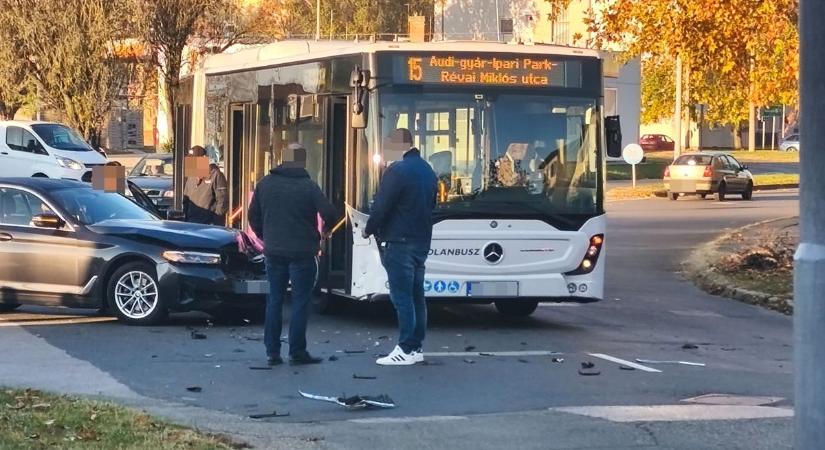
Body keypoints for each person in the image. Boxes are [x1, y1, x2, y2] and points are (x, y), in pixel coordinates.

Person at [248, 143, 337, 366]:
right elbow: (330, 212)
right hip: (303, 252)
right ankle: (297, 352)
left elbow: (253, 217)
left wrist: (265, 235)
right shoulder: (308, 186)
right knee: (300, 301)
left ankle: (272, 351)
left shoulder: (265, 184)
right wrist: (324, 231)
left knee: (275, 301)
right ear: (302, 161)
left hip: (274, 251)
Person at [363, 128, 438, 366]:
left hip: (399, 241)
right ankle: (416, 346)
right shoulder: (427, 170)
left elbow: (382, 206)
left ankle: (405, 348)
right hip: (421, 240)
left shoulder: (397, 170)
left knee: (401, 296)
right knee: (417, 295)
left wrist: (369, 228)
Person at [182, 145, 228, 226]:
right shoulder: (191, 177)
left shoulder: (216, 175)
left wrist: (215, 222)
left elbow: (222, 201)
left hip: (209, 225)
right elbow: (186, 199)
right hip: (191, 223)